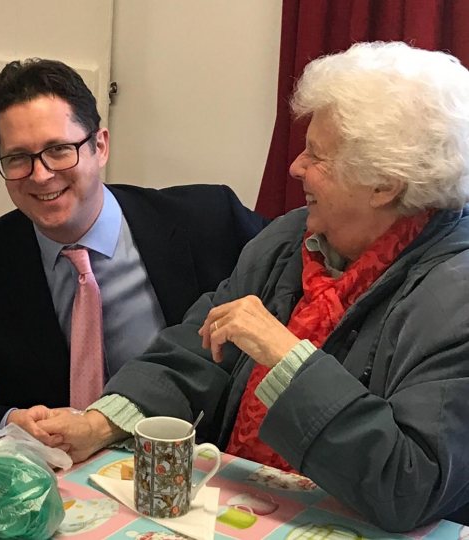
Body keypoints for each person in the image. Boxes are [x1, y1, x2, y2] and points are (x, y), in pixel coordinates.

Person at [35, 42, 469, 531]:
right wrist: (98, 424)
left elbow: (408, 485)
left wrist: (287, 358)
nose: (296, 167)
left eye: (317, 155)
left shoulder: (456, 297)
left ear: (384, 185)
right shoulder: (291, 238)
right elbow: (195, 353)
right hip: (247, 513)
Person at [0, 58, 268, 439]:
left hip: (199, 473)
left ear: (100, 146)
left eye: (58, 149)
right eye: (18, 158)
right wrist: (8, 423)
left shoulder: (209, 222)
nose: (40, 175)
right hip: (53, 481)